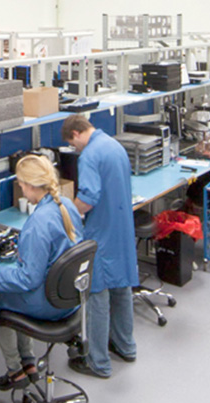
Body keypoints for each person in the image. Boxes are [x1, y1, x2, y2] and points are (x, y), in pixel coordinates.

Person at [0, 155, 83, 391]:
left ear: (28, 185)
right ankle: (28, 361)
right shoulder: (66, 205)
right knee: (11, 287)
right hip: (70, 299)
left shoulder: (37, 223)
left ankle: (15, 370)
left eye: (21, 183)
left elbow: (28, 279)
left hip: (48, 304)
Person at [61, 115, 139, 378]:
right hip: (121, 227)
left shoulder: (89, 155)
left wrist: (66, 211)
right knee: (121, 287)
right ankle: (125, 346)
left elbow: (89, 198)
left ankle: (98, 362)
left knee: (97, 294)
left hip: (101, 231)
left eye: (73, 144)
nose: (75, 150)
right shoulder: (113, 145)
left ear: (75, 133)